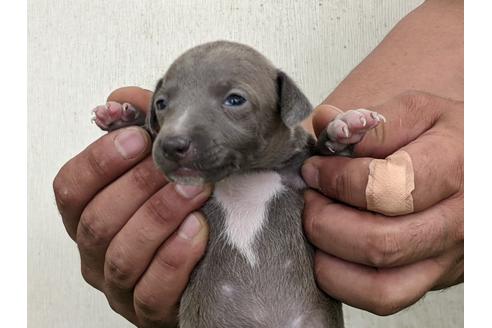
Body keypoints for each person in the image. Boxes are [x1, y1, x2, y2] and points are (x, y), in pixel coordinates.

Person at [53, 0, 463, 326]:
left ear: (286, 104)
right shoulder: (195, 178)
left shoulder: (301, 165)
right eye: (164, 106)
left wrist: (338, 142)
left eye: (234, 100)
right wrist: (138, 134)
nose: (176, 132)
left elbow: (337, 177)